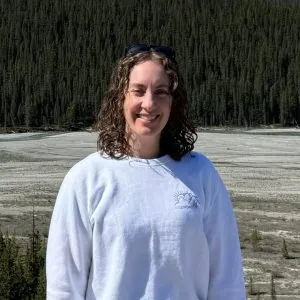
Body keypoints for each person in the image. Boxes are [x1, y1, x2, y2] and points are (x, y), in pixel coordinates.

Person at [46, 44, 246, 300]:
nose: (149, 104)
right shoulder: (86, 178)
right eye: (138, 91)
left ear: (174, 102)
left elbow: (226, 282)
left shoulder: (201, 174)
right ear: (121, 97)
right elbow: (64, 287)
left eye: (161, 92)